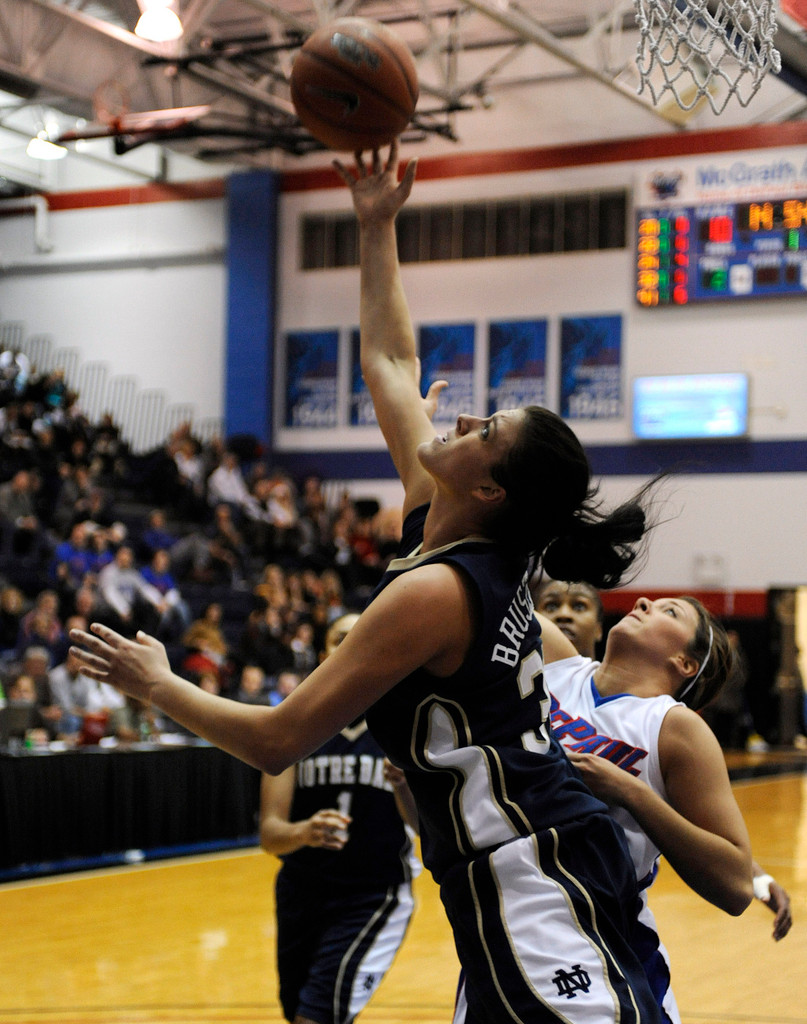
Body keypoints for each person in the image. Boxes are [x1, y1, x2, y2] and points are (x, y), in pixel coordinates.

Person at [70, 141, 668, 1023]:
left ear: (489, 485)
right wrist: (376, 225)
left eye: (484, 426)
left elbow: (277, 739)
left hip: (525, 868)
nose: (460, 414)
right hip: (530, 856)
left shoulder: (435, 590)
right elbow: (390, 362)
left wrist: (157, 684)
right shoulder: (448, 526)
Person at [534, 578, 793, 949]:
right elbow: (494, 582)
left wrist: (627, 790)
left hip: (602, 942)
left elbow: (735, 886)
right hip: (507, 919)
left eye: (669, 611)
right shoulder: (557, 663)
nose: (642, 601)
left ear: (685, 662)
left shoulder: (675, 726)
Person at [259, 613, 418, 1024]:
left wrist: (403, 786)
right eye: (339, 639)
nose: (350, 645)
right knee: (300, 1013)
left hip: (371, 895)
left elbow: (426, 828)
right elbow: (270, 835)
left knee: (316, 1018)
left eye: (359, 637)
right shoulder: (293, 726)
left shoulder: (404, 726)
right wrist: (304, 831)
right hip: (300, 893)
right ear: (324, 652)